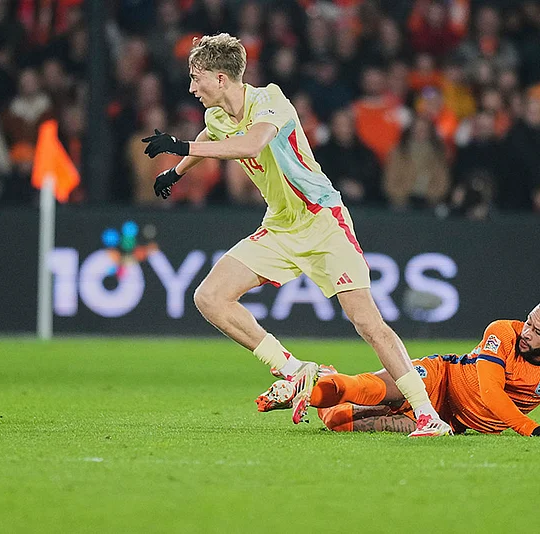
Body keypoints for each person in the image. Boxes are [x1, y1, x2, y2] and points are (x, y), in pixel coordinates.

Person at [141, 33, 450, 437]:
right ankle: (293, 368)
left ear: (220, 78)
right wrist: (175, 173)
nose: (191, 88)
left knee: (367, 323)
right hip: (281, 226)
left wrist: (180, 148)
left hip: (322, 221)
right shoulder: (216, 116)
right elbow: (210, 137)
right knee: (209, 297)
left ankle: (427, 414)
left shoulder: (270, 100)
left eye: (196, 78)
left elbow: (252, 144)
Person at [292, 299, 540, 437]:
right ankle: (302, 388)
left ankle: (324, 386)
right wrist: (530, 428)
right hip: (441, 378)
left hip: (452, 422)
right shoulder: (503, 333)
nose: (527, 333)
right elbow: (490, 392)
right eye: (529, 322)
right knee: (366, 389)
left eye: (538, 332)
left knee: (340, 422)